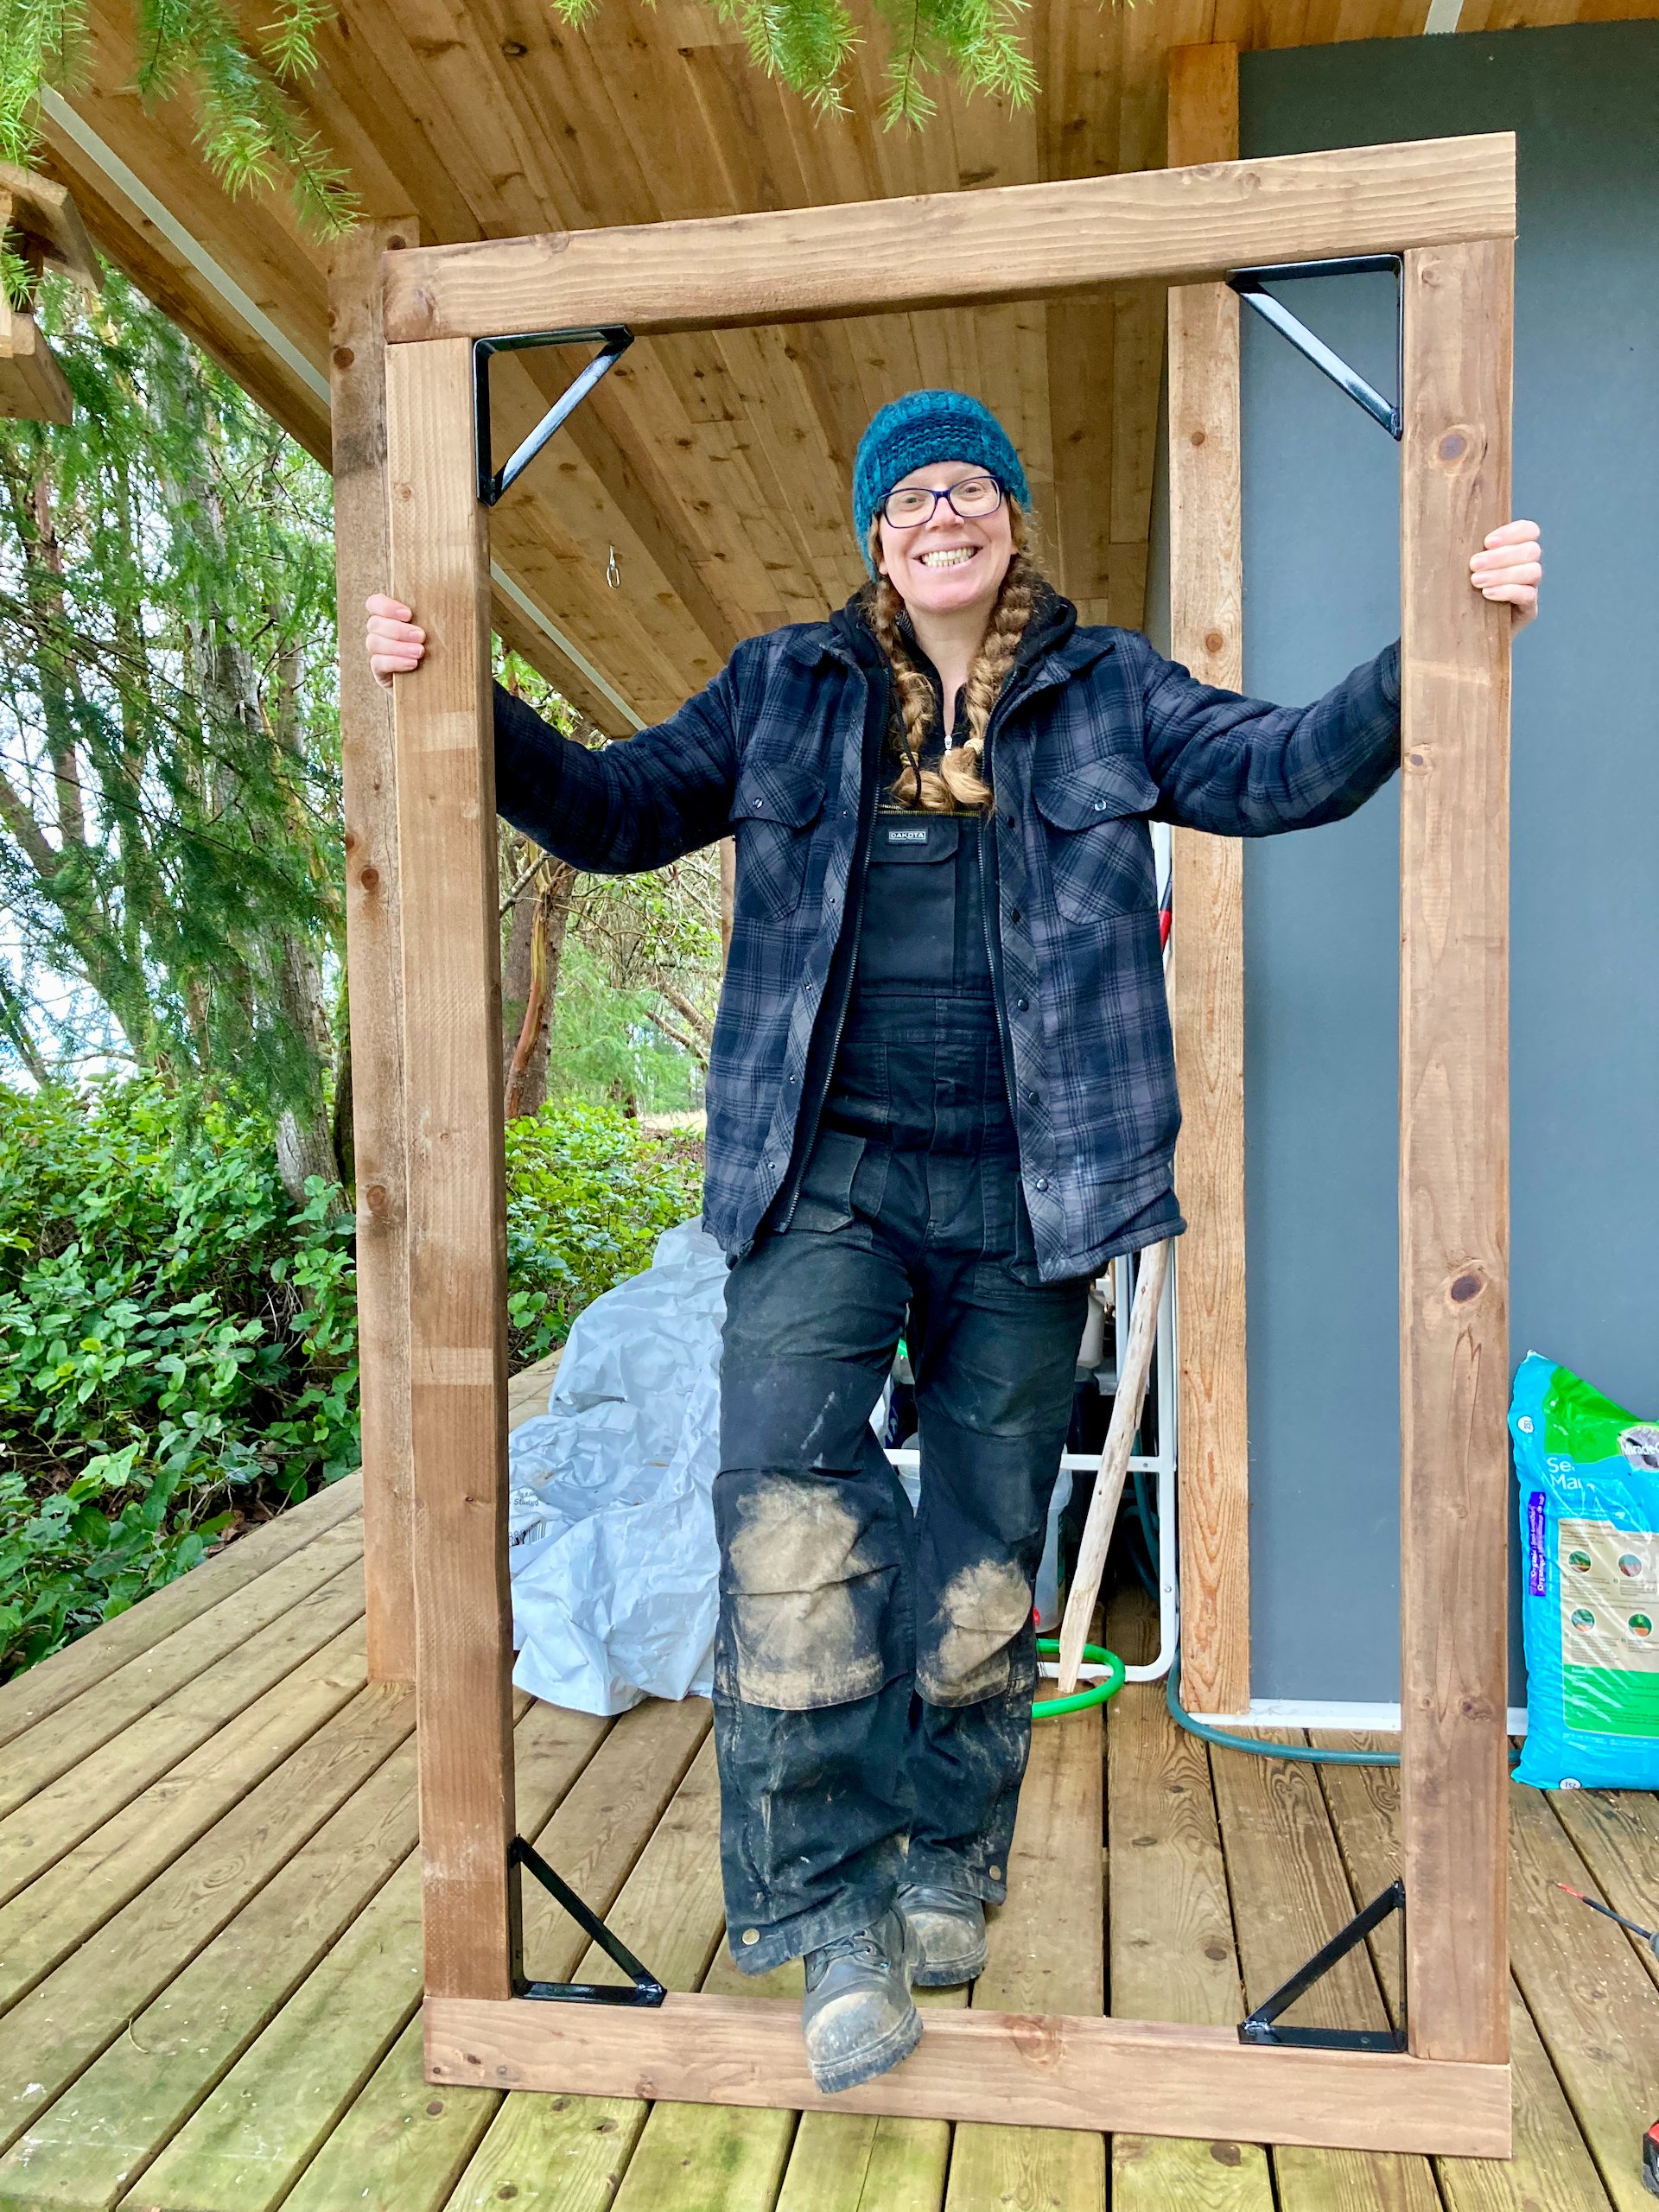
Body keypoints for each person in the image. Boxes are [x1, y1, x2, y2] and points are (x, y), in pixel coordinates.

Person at [367, 389, 1541, 2094]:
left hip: (1033, 1181)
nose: (943, 512)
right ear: (873, 532)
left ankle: (945, 1863)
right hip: (823, 1175)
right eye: (911, 493)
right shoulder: (784, 687)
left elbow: (1284, 768)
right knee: (786, 1515)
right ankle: (826, 1905)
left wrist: (1442, 624)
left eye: (972, 487)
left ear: (1009, 520)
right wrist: (455, 694)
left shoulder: (1107, 687)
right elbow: (612, 811)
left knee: (989, 1547)